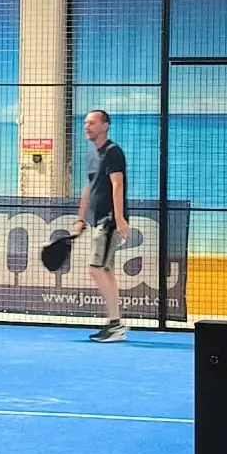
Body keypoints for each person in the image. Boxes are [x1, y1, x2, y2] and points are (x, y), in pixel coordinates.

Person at [71, 109, 131, 342]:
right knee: (106, 270)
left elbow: (117, 184)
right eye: (86, 123)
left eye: (92, 123)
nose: (86, 127)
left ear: (105, 126)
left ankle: (115, 325)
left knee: (95, 268)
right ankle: (116, 324)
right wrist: (81, 217)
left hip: (108, 220)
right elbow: (89, 187)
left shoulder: (113, 152)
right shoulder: (92, 154)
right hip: (97, 220)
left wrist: (119, 219)